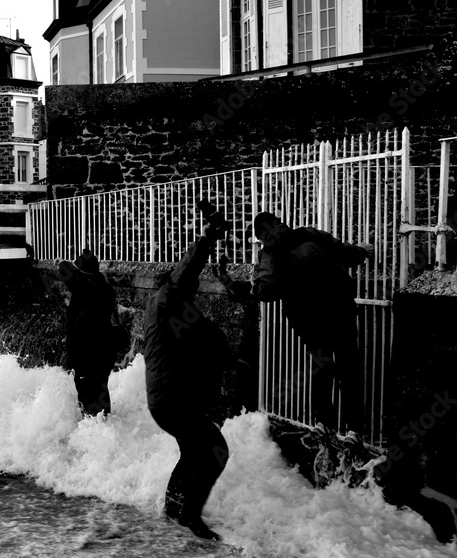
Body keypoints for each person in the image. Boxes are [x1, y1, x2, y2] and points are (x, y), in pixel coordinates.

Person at [143, 204, 231, 540]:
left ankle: (172, 513)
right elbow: (186, 275)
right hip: (173, 399)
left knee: (192, 451)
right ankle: (191, 519)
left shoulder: (167, 310)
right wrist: (208, 238)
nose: (194, 290)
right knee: (215, 451)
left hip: (167, 398)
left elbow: (200, 343)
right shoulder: (170, 300)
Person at [250, 212, 373, 435]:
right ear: (279, 222)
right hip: (339, 311)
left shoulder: (269, 254)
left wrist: (256, 281)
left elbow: (266, 292)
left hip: (309, 322)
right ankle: (354, 430)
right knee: (348, 366)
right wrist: (362, 251)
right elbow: (344, 252)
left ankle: (324, 423)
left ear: (260, 236)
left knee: (322, 366)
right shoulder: (308, 234)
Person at [59, 248, 120, 417]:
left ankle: (91, 429)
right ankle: (104, 426)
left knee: (86, 394)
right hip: (105, 350)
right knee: (101, 387)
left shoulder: (81, 288)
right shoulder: (108, 290)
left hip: (85, 353)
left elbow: (63, 266)